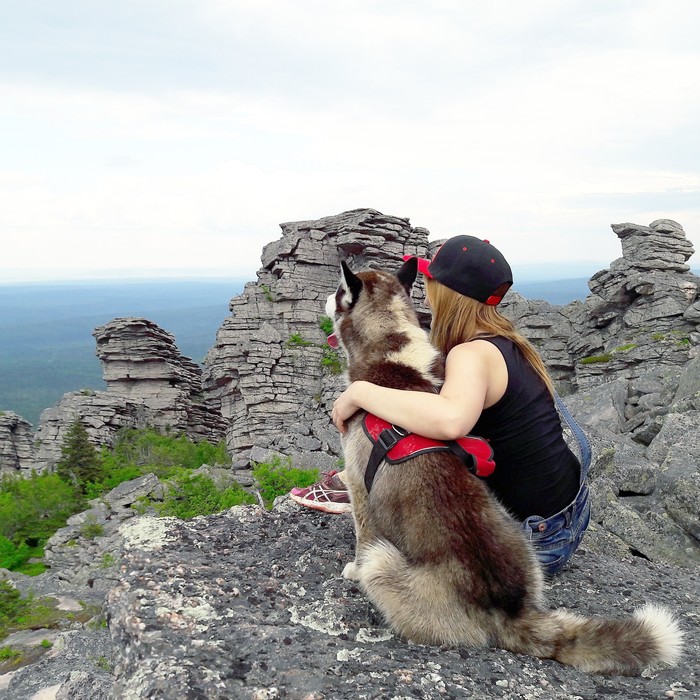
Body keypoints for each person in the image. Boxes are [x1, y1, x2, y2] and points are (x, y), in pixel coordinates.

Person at [290, 235, 591, 575]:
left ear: (445, 292)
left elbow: (450, 422)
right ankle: (351, 481)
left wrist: (359, 392)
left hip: (537, 537)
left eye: (429, 283)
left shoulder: (472, 354)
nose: (421, 293)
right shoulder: (502, 339)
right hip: (566, 510)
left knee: (401, 557)